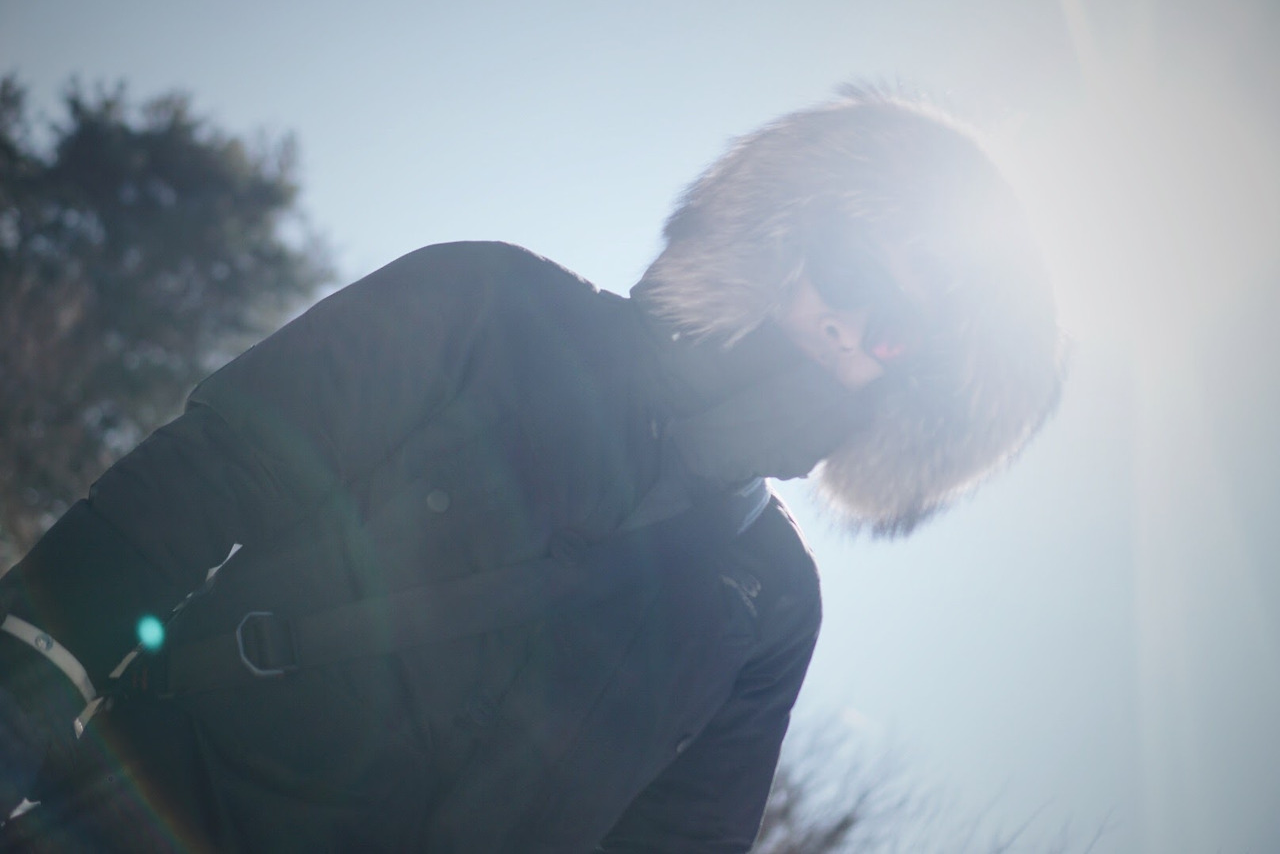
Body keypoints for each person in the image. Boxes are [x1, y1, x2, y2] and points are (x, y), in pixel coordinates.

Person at [0, 86, 1064, 852]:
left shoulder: (773, 599)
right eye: (849, 272)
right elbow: (199, 484)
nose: (848, 326)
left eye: (893, 332)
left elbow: (680, 839)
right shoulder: (490, 306)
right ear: (785, 237)